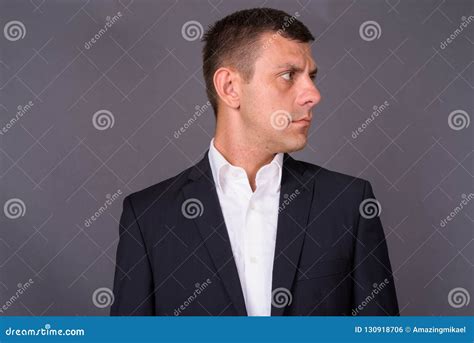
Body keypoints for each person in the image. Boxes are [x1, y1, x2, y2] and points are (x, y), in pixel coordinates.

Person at [111, 7, 399, 316]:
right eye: (288, 75)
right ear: (230, 88)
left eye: (311, 77)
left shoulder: (349, 203)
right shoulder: (149, 218)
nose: (313, 94)